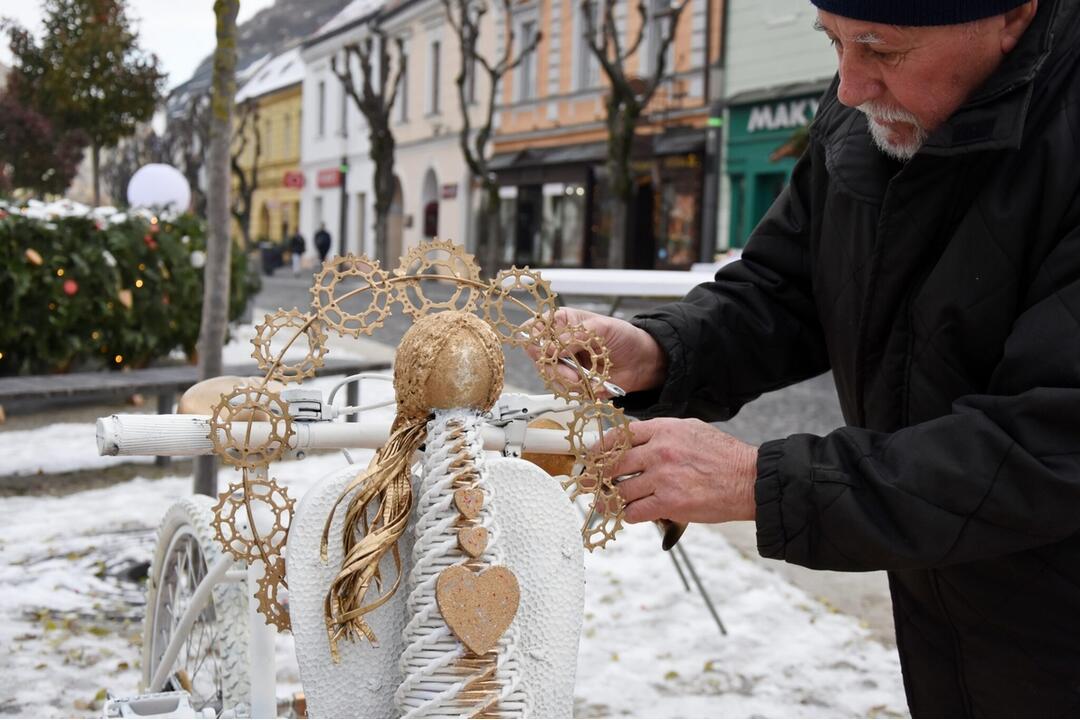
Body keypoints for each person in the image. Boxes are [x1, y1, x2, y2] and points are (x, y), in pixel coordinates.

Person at [536, 0, 1080, 715]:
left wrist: (760, 483)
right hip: (957, 624)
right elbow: (787, 288)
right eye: (834, 43)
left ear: (1013, 16)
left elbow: (1049, 445)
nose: (849, 87)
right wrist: (662, 349)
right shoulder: (867, 108)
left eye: (882, 50)